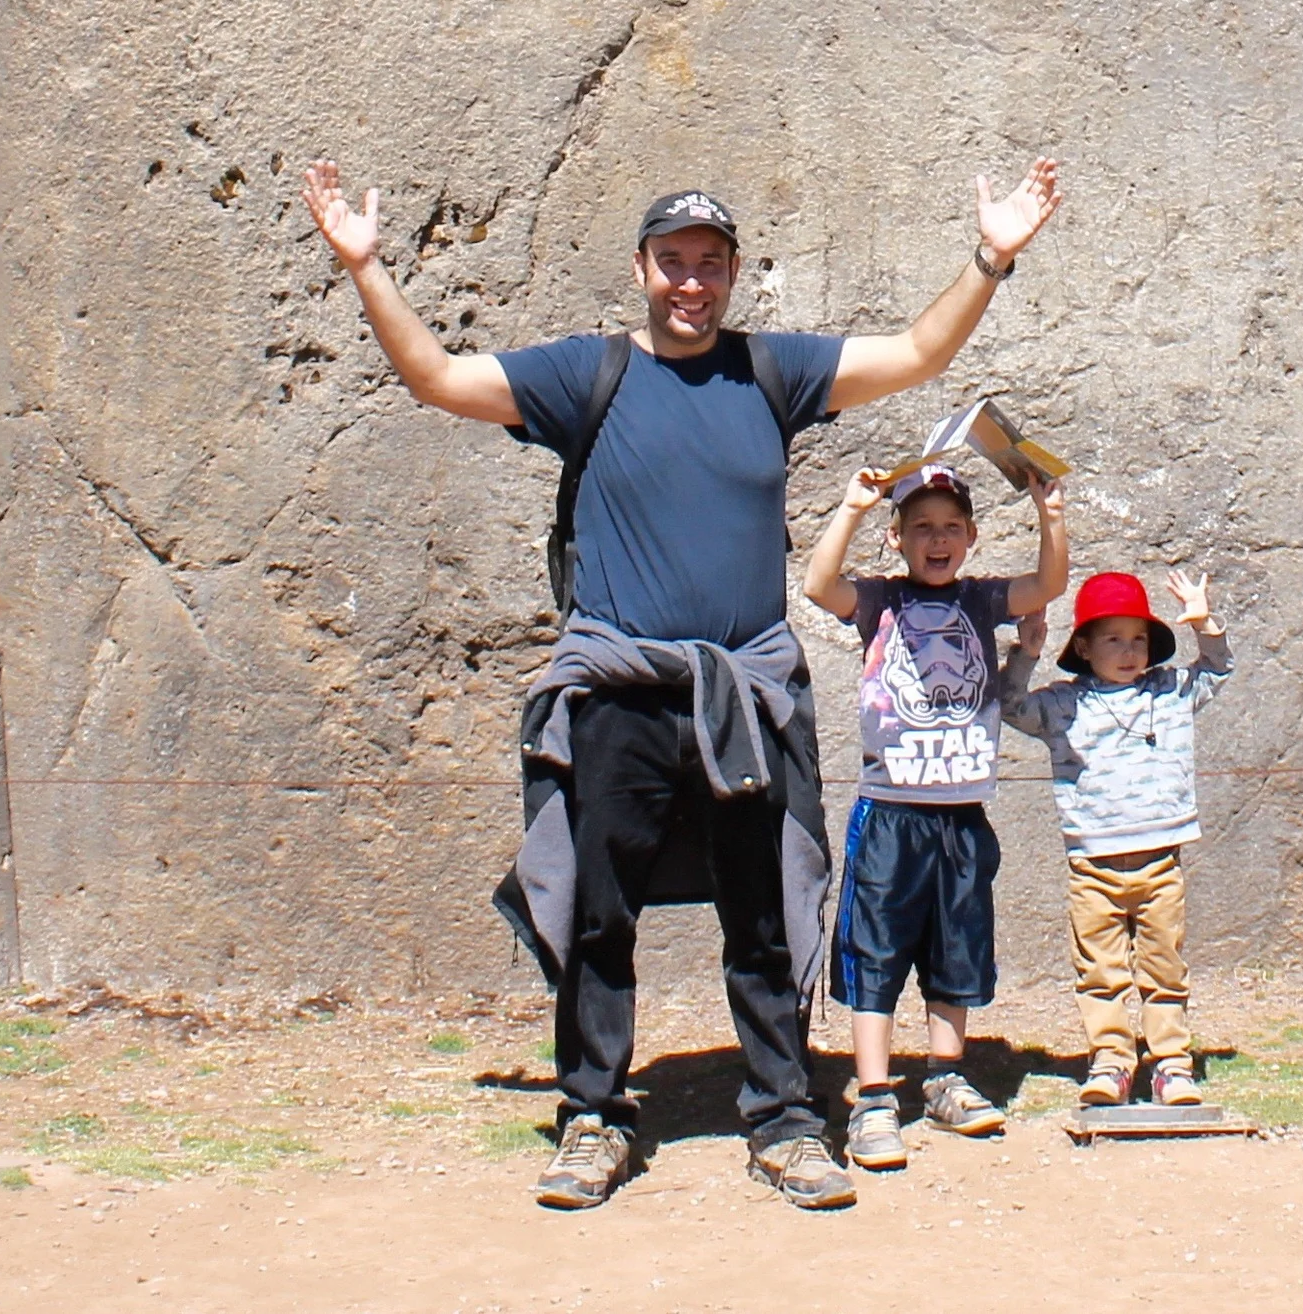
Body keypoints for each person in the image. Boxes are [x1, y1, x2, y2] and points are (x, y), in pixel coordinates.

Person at [299, 157, 1063, 1212]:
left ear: (735, 271)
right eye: (672, 262)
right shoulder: (588, 376)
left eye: (710, 262)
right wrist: (366, 265)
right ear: (642, 269)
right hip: (619, 687)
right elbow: (435, 376)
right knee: (597, 914)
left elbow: (920, 351)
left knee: (764, 912)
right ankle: (593, 1114)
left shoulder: (772, 372)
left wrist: (992, 255)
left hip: (744, 694)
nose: (691, 281)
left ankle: (787, 1115)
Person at [800, 457, 1070, 1169]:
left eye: (951, 526)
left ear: (973, 536)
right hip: (890, 812)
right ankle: (875, 1096)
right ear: (897, 538)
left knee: (958, 946)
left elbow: (1048, 585)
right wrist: (853, 507)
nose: (937, 539)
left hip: (961, 812)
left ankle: (946, 1076)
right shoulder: (879, 601)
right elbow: (816, 584)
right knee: (876, 950)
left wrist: (1052, 515)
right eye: (921, 527)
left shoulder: (982, 601)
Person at [1000, 567, 1231, 1106]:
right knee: (1100, 971)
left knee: (1164, 966)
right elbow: (1009, 707)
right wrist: (1025, 655)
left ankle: (1172, 1064)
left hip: (1159, 861)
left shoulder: (1170, 691)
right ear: (1083, 645)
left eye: (1139, 639)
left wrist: (1206, 623)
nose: (1129, 652)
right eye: (1112, 639)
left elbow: (1218, 670)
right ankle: (1110, 1063)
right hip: (1092, 866)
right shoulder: (1061, 703)